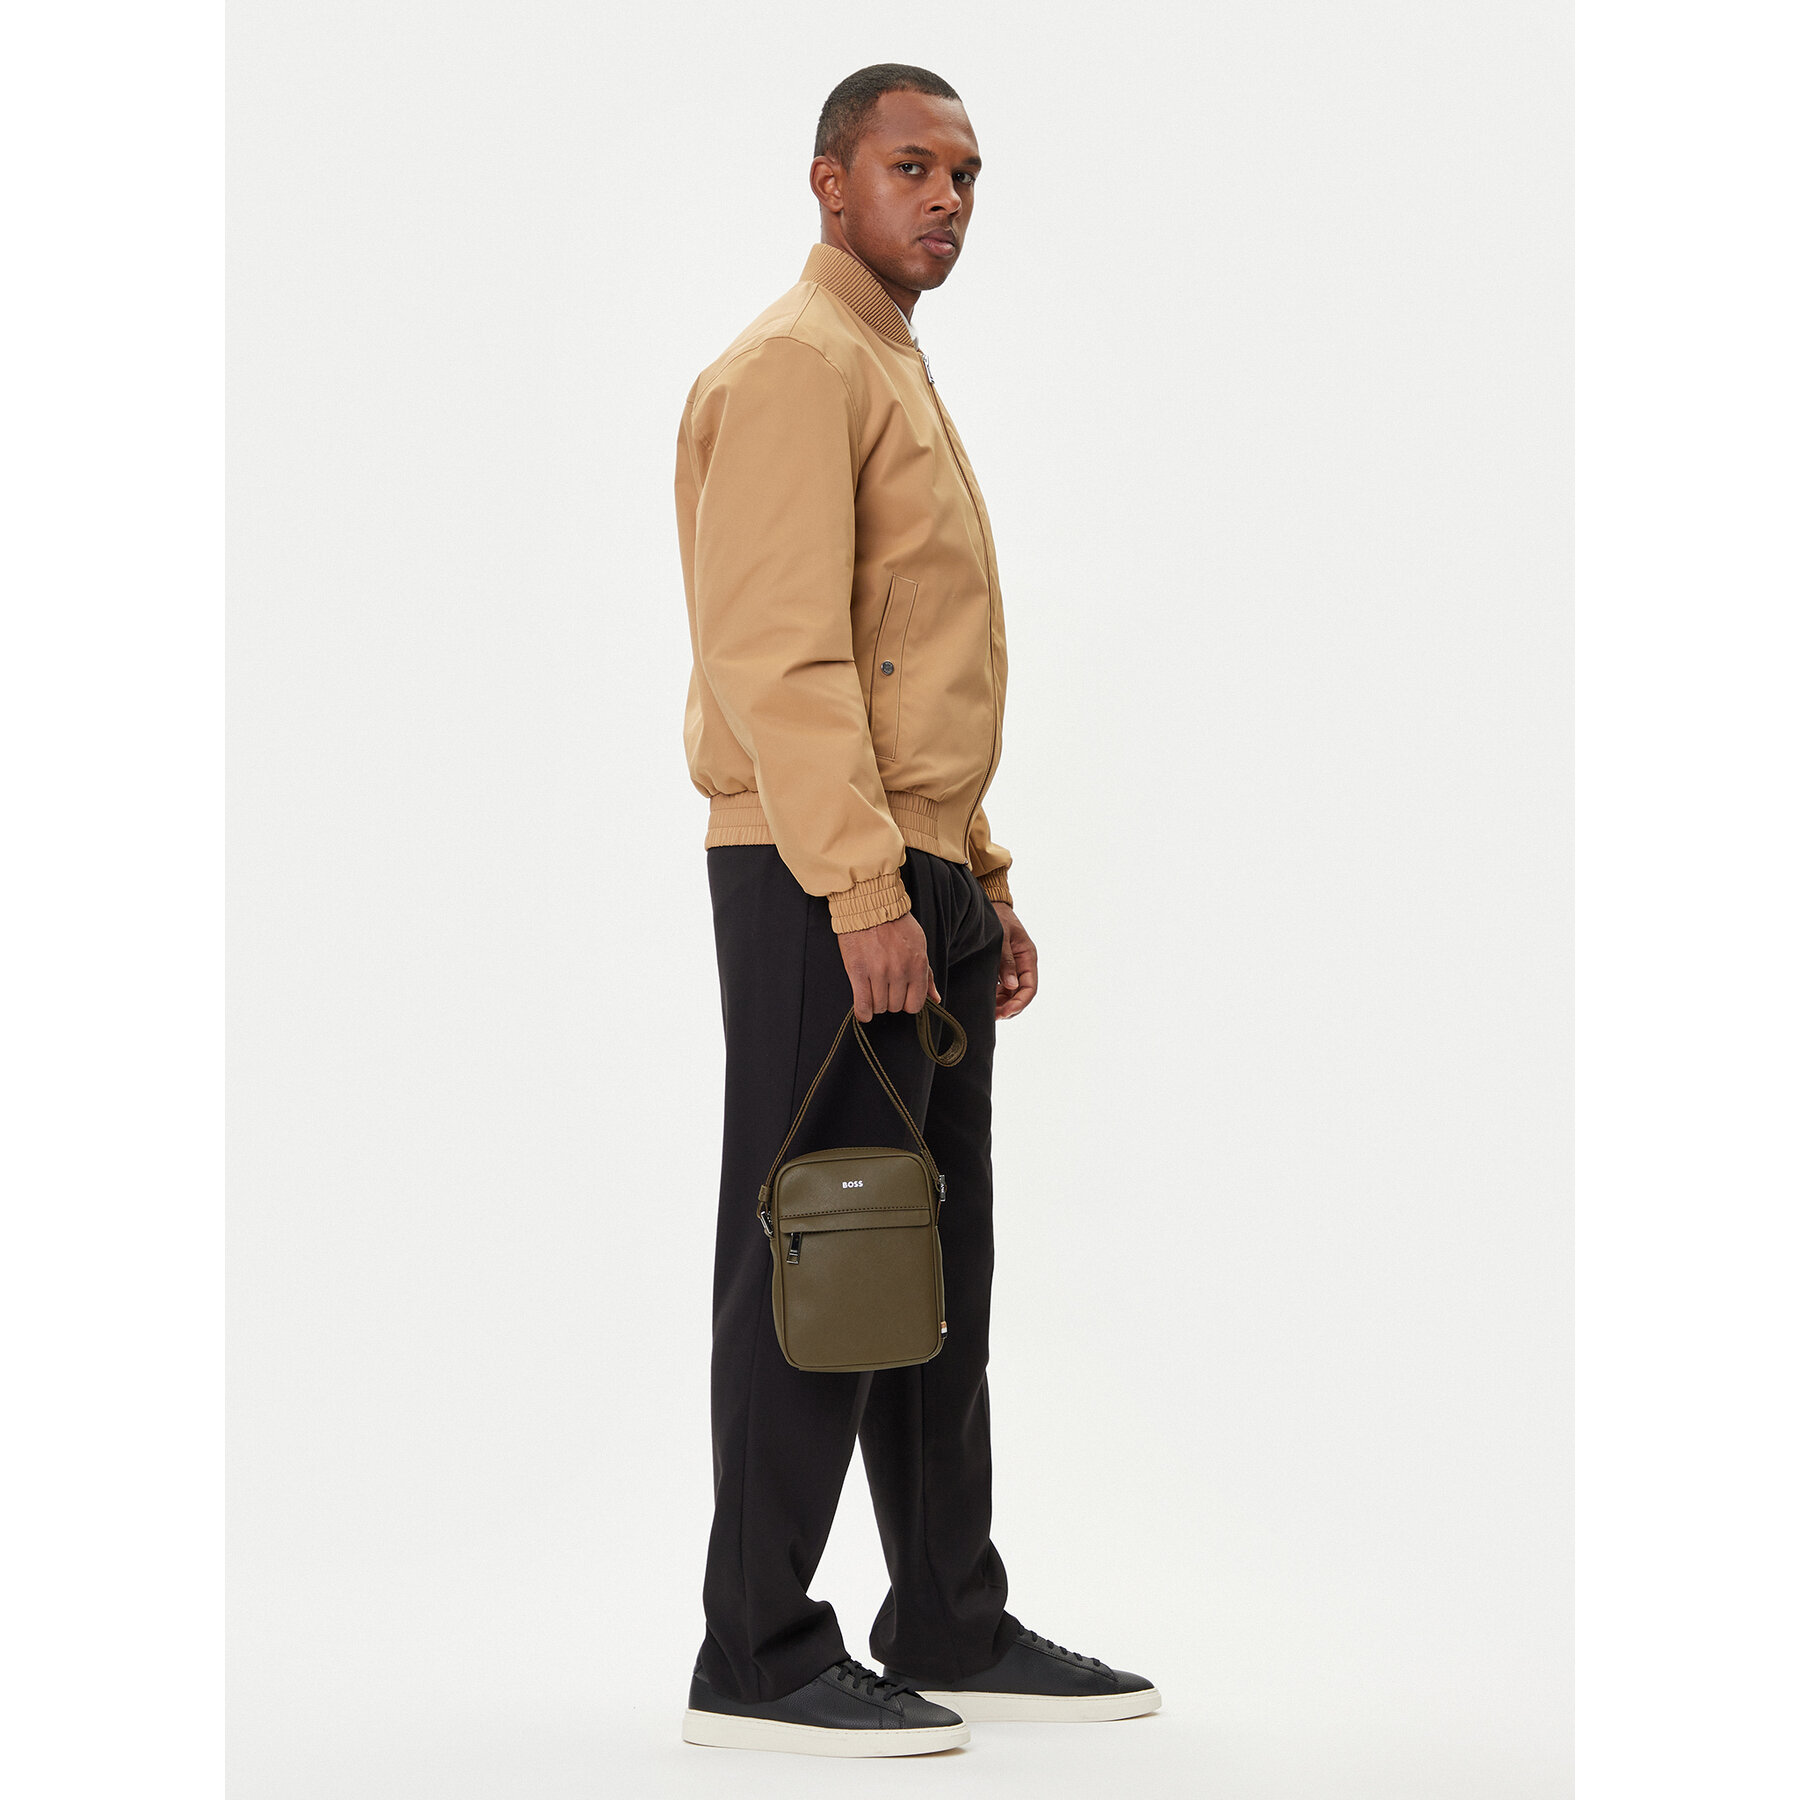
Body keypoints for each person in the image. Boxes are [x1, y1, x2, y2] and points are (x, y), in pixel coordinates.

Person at [673, 63, 1161, 1757]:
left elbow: (911, 675)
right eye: (911, 165)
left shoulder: (888, 365)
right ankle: (756, 1653)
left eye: (966, 173)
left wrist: (976, 880)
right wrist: (869, 883)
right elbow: (783, 659)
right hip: (822, 874)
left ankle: (948, 1609)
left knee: (935, 1254)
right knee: (823, 1241)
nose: (946, 196)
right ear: (830, 182)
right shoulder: (798, 367)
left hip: (912, 869)